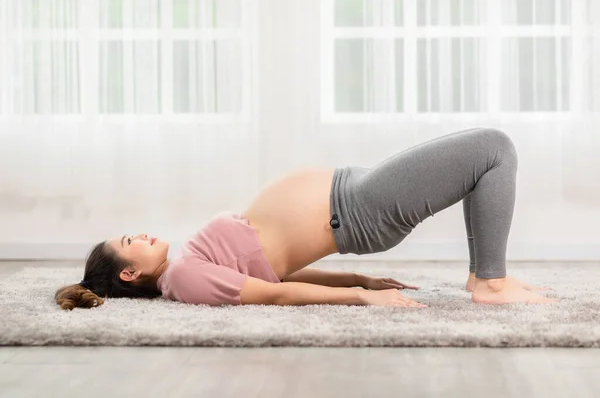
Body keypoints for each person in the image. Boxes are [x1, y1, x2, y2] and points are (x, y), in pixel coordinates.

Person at [55, 128, 558, 310]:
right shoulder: (184, 277)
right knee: (494, 148)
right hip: (358, 209)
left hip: (355, 194)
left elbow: (273, 270)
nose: (142, 233)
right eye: (131, 240)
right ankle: (491, 282)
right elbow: (273, 294)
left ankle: (482, 275)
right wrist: (360, 296)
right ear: (129, 272)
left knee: (483, 157)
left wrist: (358, 276)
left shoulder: (189, 263)